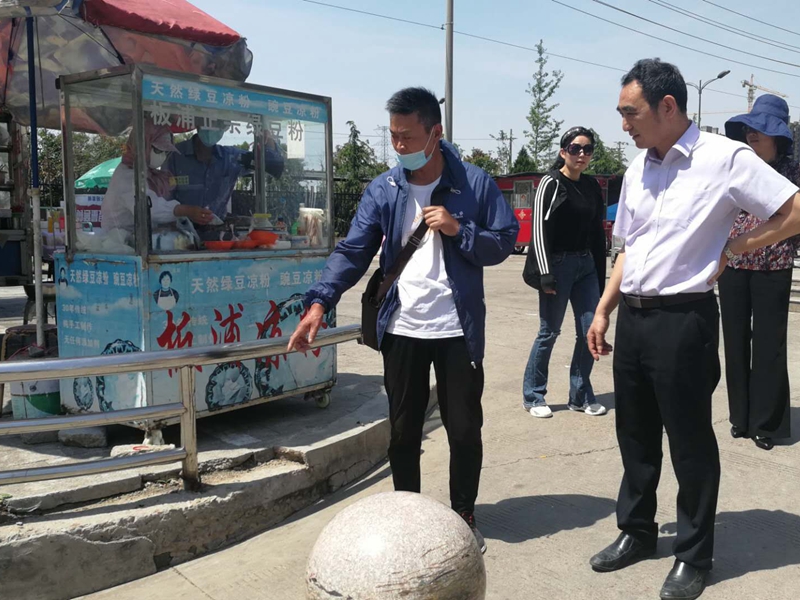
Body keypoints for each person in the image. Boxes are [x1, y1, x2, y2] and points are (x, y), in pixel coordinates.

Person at [586, 59, 800, 600]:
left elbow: (795, 209)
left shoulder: (725, 158)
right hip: (634, 318)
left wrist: (739, 245)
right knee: (635, 435)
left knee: (689, 442)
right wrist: (605, 308)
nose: (624, 125)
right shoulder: (638, 168)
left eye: (630, 113)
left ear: (668, 106)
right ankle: (636, 531)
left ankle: (693, 554)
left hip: (684, 320)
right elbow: (628, 246)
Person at [288, 87, 518, 554]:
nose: (399, 146)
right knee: (402, 432)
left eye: (408, 137)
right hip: (402, 329)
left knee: (464, 431)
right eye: (393, 136)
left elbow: (503, 241)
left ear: (435, 133)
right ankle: (408, 518)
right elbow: (353, 250)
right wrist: (319, 303)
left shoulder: (474, 184)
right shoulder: (385, 189)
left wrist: (459, 229)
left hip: (457, 331)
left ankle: (463, 516)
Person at [718, 96, 800, 452]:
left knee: (769, 346)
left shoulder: (794, 171)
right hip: (733, 266)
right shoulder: (740, 168)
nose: (752, 135)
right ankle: (740, 416)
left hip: (773, 268)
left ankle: (766, 423)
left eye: (760, 130)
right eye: (749, 129)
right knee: (735, 342)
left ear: (778, 136)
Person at [522, 126, 608, 418]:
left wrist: (600, 274)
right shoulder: (551, 182)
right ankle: (534, 396)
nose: (581, 154)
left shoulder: (591, 186)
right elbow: (538, 230)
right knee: (549, 332)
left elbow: (597, 232)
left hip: (586, 267)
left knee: (590, 331)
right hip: (557, 266)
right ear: (563, 152)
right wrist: (545, 273)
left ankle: (580, 395)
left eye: (587, 149)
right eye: (575, 148)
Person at [101, 122, 214, 233]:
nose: (162, 156)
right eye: (158, 150)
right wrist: (186, 211)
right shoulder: (127, 175)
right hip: (118, 240)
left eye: (166, 152)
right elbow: (150, 208)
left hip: (137, 239)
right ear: (142, 146)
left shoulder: (150, 174)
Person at [166, 121, 285, 219]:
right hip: (180, 233)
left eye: (219, 124)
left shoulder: (230, 158)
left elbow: (270, 163)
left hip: (218, 234)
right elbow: (162, 201)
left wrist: (266, 132)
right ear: (197, 123)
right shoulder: (175, 155)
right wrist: (186, 212)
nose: (212, 128)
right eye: (208, 122)